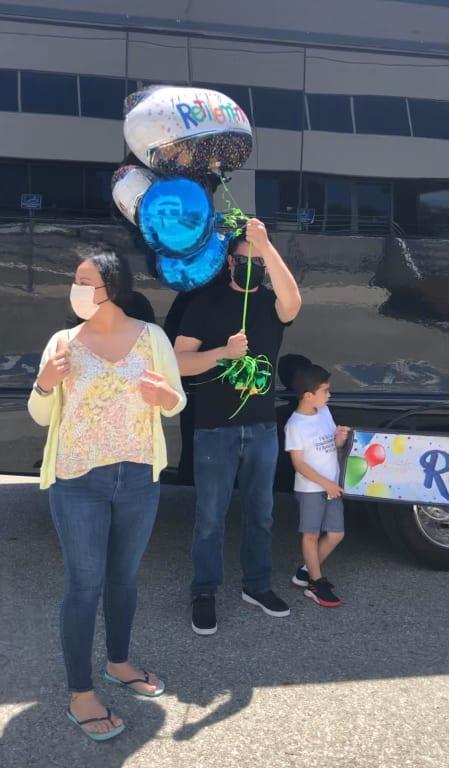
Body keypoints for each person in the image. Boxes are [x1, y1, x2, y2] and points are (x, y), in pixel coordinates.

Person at [28, 245, 186, 741]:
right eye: (74, 279)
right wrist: (45, 383)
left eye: (84, 281)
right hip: (78, 480)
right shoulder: (63, 342)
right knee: (83, 584)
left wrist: (164, 397)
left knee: (124, 578)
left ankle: (117, 662)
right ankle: (80, 693)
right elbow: (39, 415)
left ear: (112, 288)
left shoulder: (151, 337)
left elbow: (174, 401)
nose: (76, 289)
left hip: (137, 476)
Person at [175, 218, 301, 635]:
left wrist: (265, 244)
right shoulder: (204, 304)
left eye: (258, 260)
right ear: (229, 262)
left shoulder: (270, 302)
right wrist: (222, 355)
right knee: (210, 517)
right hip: (214, 429)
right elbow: (178, 361)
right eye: (244, 259)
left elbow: (294, 302)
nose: (251, 266)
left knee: (261, 514)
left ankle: (257, 585)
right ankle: (204, 591)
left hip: (262, 428)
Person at [284, 355, 350, 608]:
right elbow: (299, 464)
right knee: (310, 535)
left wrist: (340, 440)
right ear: (307, 395)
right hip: (312, 489)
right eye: (325, 391)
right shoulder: (295, 425)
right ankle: (316, 582)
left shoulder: (324, 412)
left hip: (331, 485)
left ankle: (306, 571)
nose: (329, 395)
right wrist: (326, 483)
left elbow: (331, 445)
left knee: (336, 533)